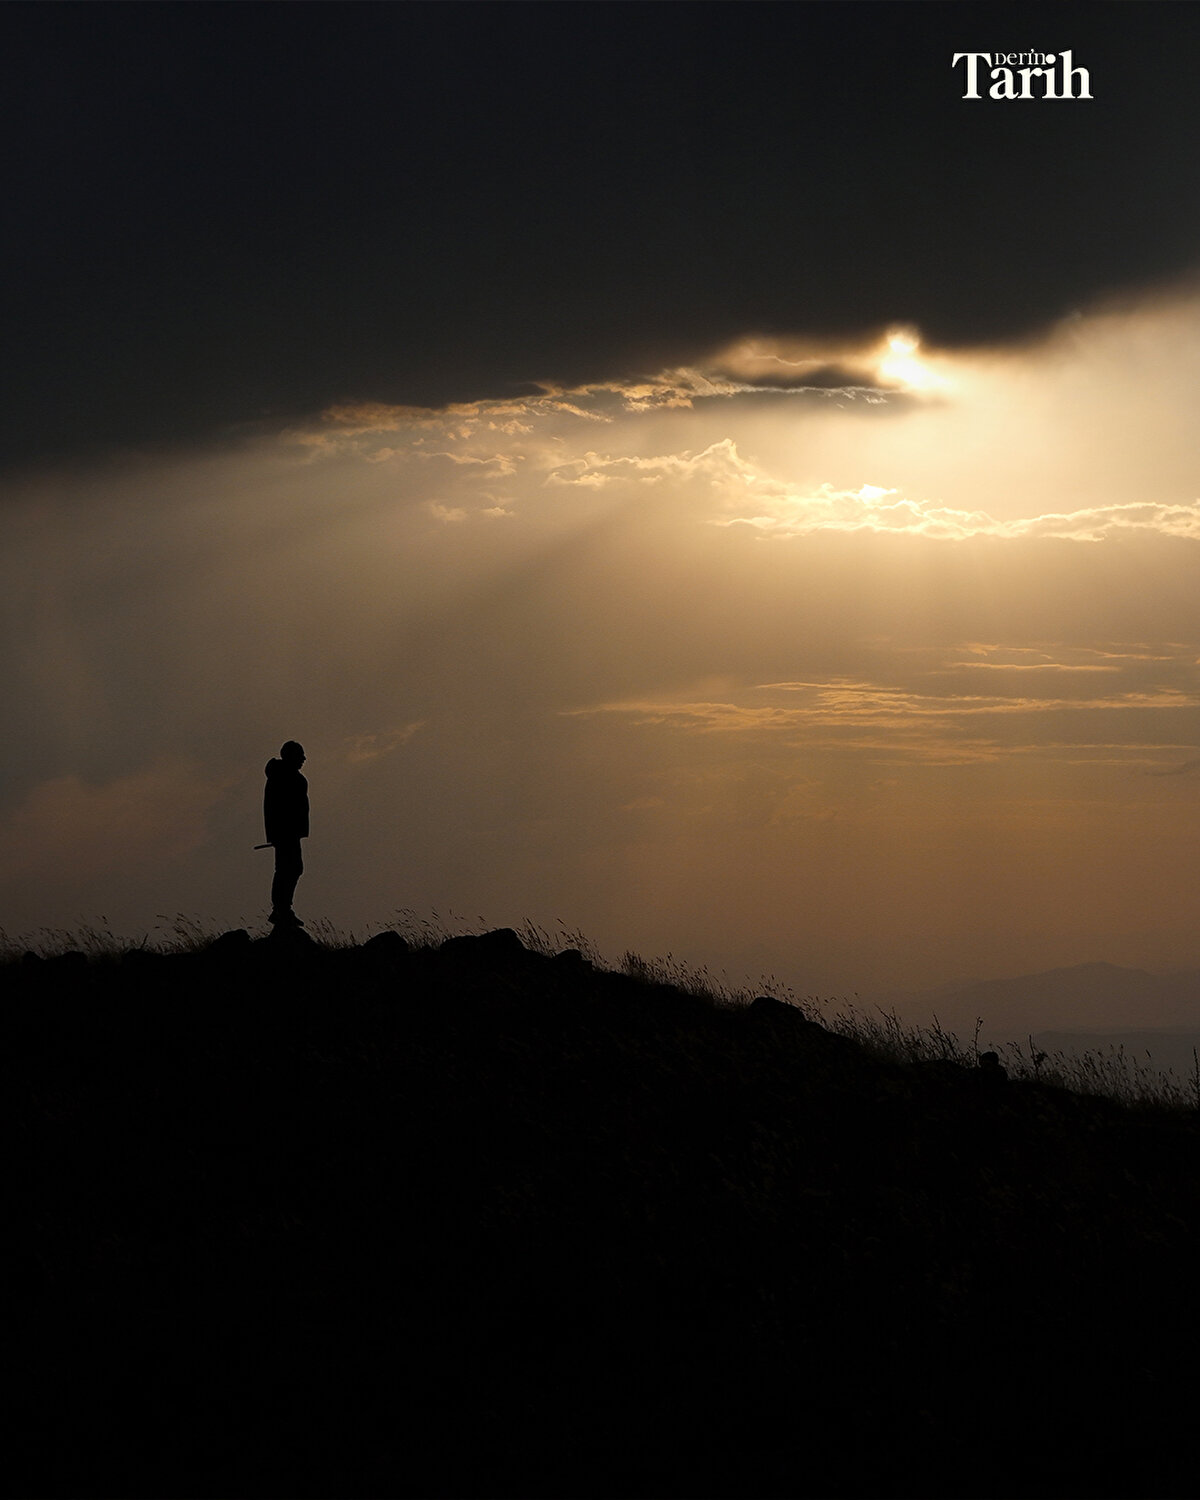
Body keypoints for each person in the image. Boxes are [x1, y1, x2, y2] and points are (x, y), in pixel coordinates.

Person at [264, 740, 309, 927]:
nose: (304, 759)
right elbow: (277, 807)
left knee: (291, 868)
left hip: (288, 832)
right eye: (300, 755)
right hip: (286, 833)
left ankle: (282, 909)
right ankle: (281, 909)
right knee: (288, 868)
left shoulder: (285, 776)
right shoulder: (284, 777)